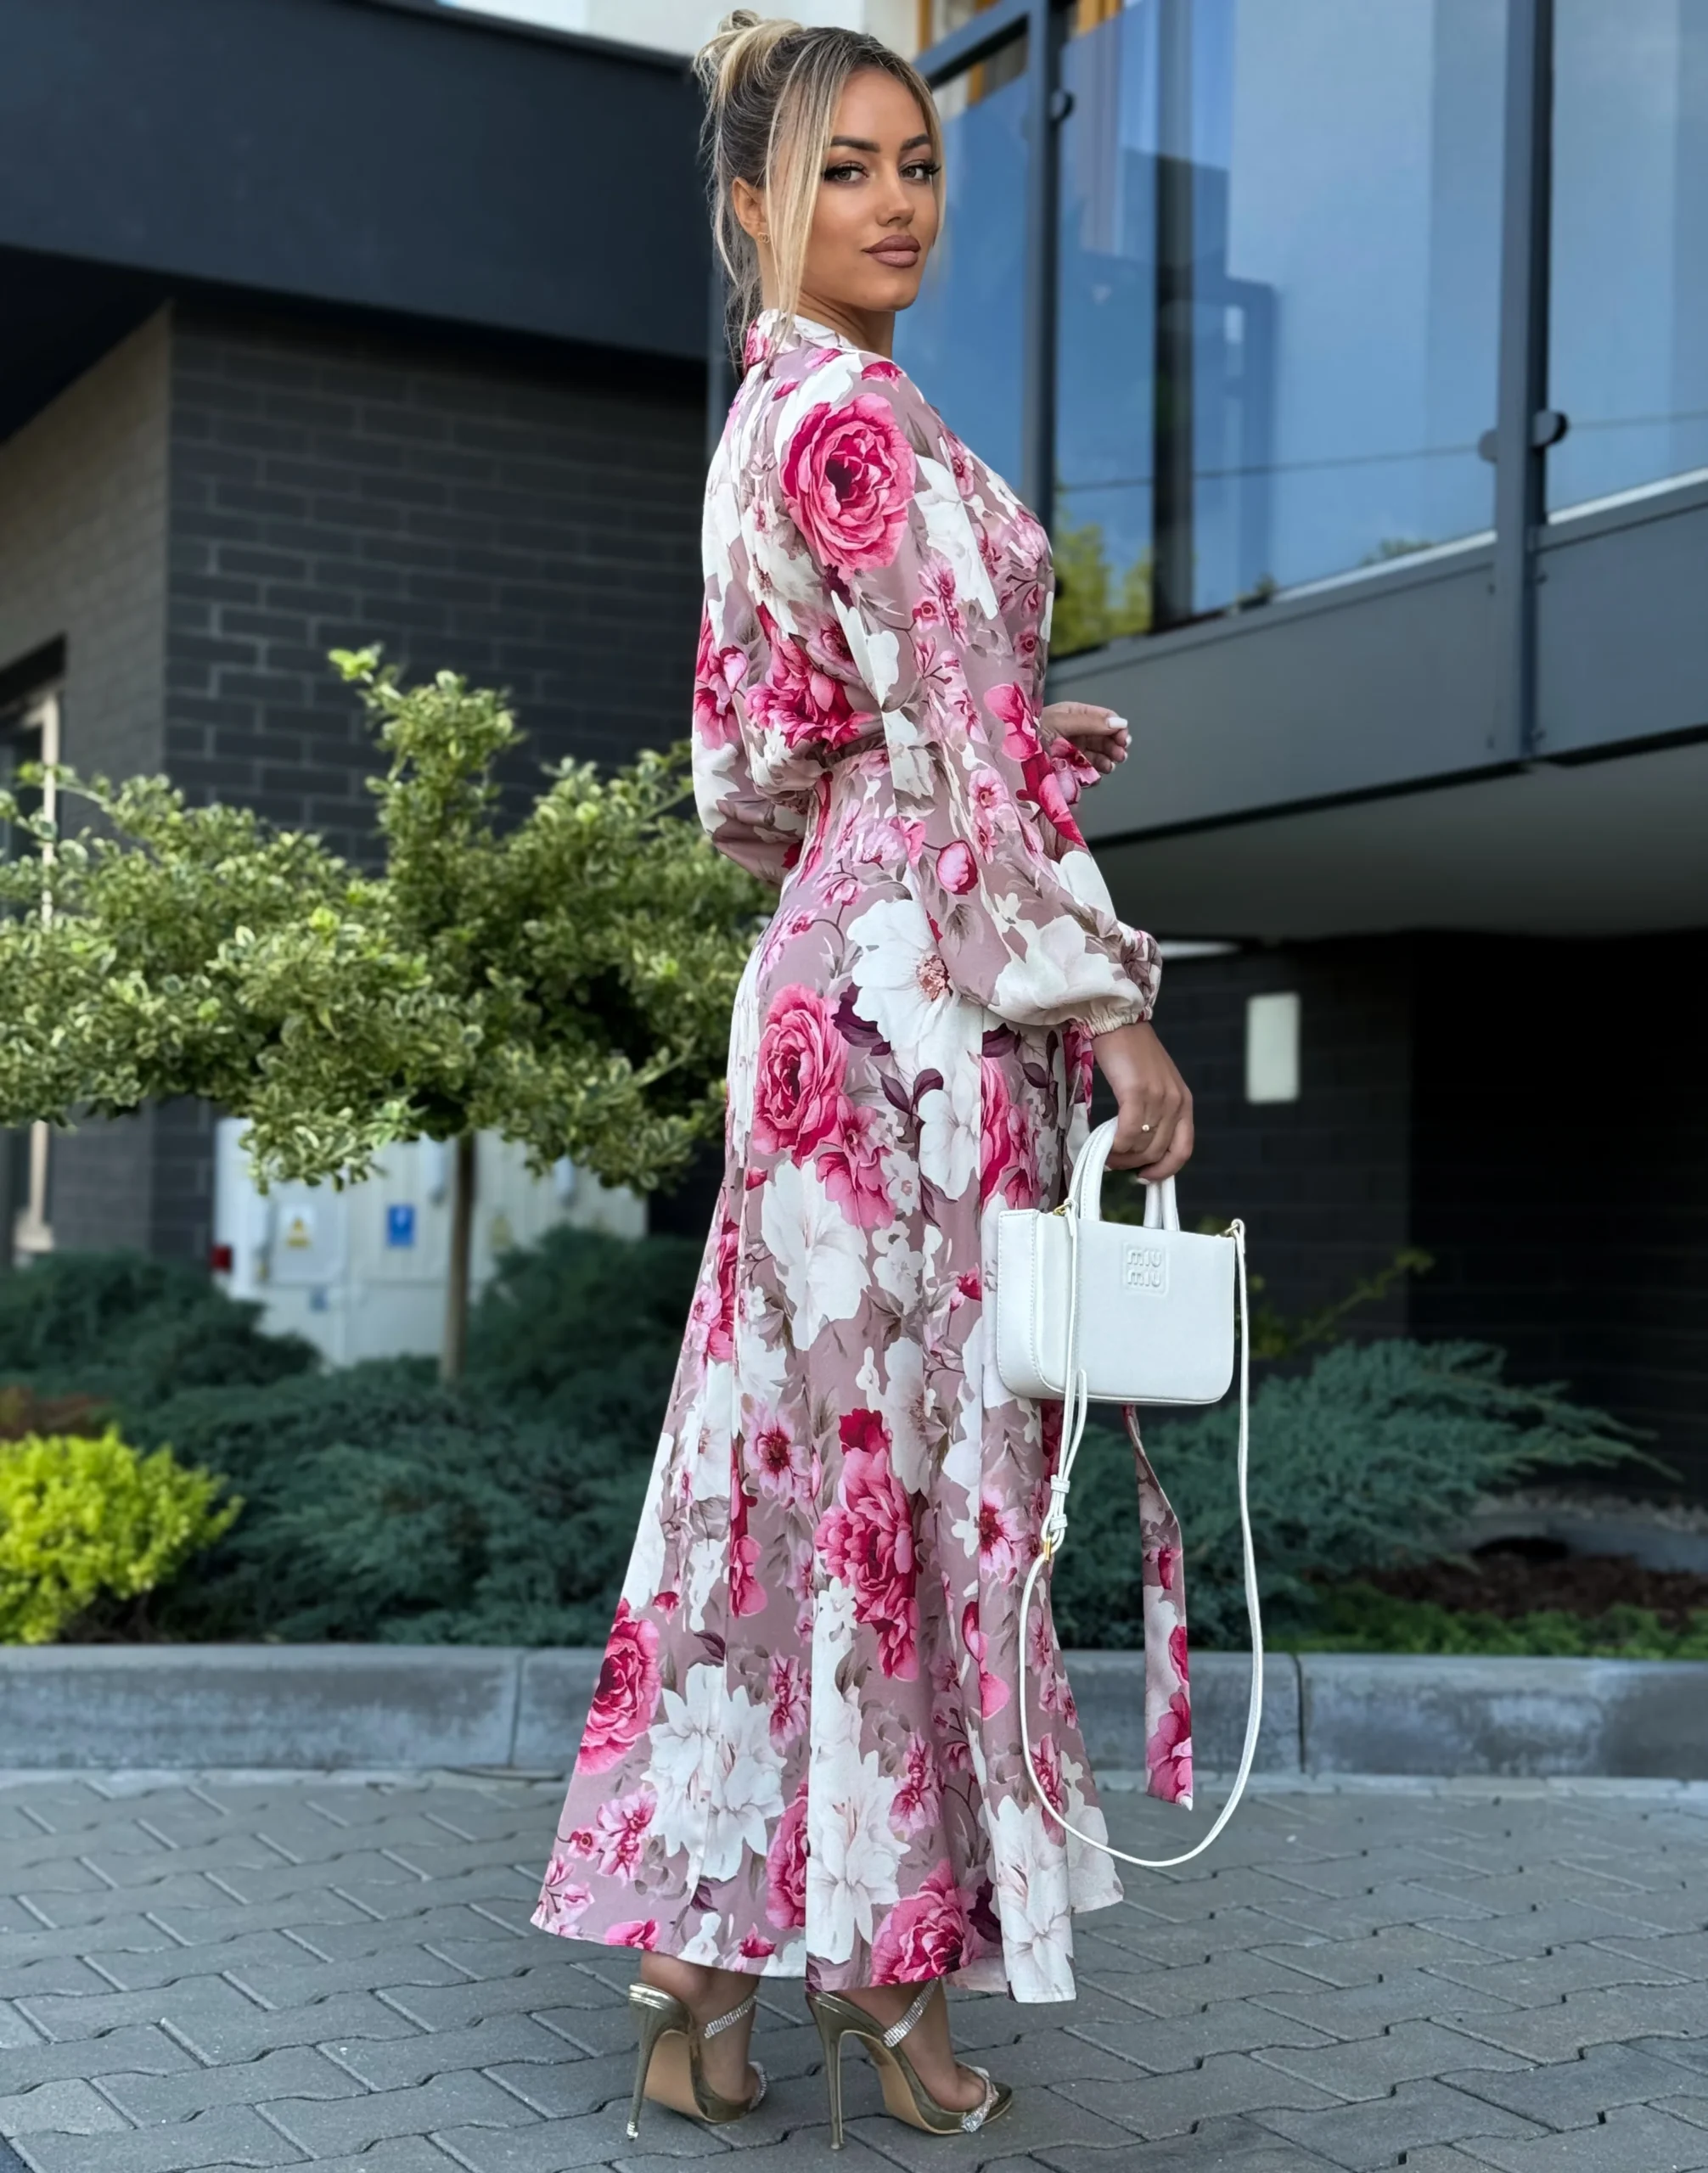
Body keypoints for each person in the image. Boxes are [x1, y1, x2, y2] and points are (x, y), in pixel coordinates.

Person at [531, 8, 1194, 2148]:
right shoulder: (858, 425)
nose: (895, 200)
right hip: (922, 1012)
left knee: (795, 1458)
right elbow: (949, 752)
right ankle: (886, 1981)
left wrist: (952, 752)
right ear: (752, 202)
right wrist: (1104, 1003)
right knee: (911, 1463)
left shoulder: (774, 417)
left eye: (916, 162)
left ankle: (699, 1979)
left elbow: (753, 779)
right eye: (844, 167)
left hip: (830, 968)